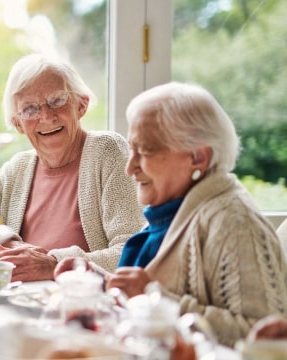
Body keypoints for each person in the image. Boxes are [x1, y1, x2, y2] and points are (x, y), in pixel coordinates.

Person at [56, 82, 287, 346]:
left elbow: (264, 338)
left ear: (198, 157)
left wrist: (153, 296)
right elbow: (145, 290)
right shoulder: (173, 210)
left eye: (145, 151)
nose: (130, 168)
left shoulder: (233, 222)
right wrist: (100, 282)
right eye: (132, 150)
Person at [0, 54, 145, 282]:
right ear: (18, 124)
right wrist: (6, 240)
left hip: (83, 306)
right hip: (22, 307)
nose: (46, 116)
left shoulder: (106, 151)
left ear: (81, 105)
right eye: (30, 109)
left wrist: (54, 263)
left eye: (57, 100)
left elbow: (132, 252)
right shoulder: (18, 170)